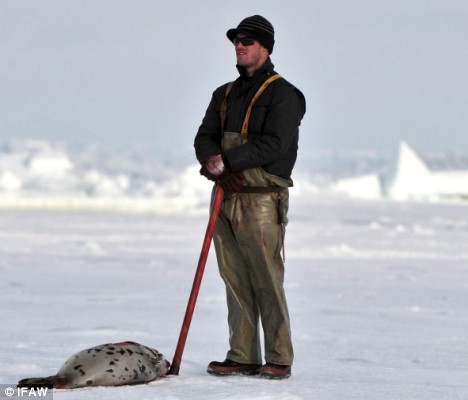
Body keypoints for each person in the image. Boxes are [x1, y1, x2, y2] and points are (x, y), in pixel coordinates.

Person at [194, 15, 306, 380]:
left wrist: (226, 160)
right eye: (237, 40)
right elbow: (204, 137)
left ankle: (279, 356)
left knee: (266, 278)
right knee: (233, 276)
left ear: (265, 47)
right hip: (225, 195)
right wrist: (212, 162)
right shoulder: (224, 93)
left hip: (261, 199)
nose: (239, 46)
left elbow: (275, 144)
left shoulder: (284, 94)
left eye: (247, 41)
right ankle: (242, 354)